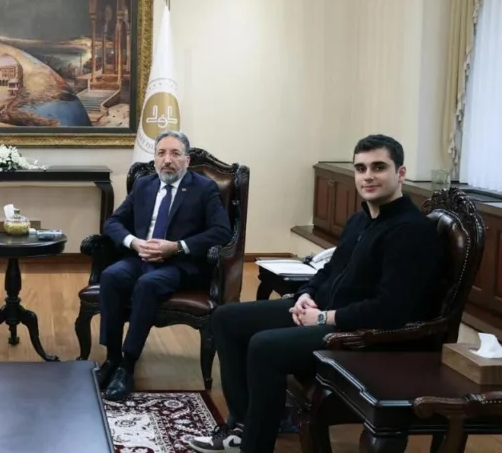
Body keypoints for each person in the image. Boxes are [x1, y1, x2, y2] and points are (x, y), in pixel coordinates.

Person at [187, 134, 445, 453]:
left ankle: (255, 445)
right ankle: (241, 425)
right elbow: (329, 270)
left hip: (360, 334)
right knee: (226, 318)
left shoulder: (411, 231)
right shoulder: (361, 219)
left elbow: (389, 310)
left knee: (264, 346)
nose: (368, 176)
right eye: (361, 168)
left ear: (400, 173)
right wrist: (305, 294)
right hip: (324, 312)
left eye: (379, 167)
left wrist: (323, 317)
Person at [97, 130, 232, 401]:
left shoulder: (203, 188)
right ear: (155, 158)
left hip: (179, 264)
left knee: (148, 284)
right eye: (161, 153)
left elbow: (221, 231)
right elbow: (113, 223)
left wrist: (177, 247)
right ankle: (111, 358)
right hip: (140, 257)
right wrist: (135, 243)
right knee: (111, 276)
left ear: (187, 160)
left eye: (174, 154)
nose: (167, 160)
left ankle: (127, 366)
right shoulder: (144, 185)